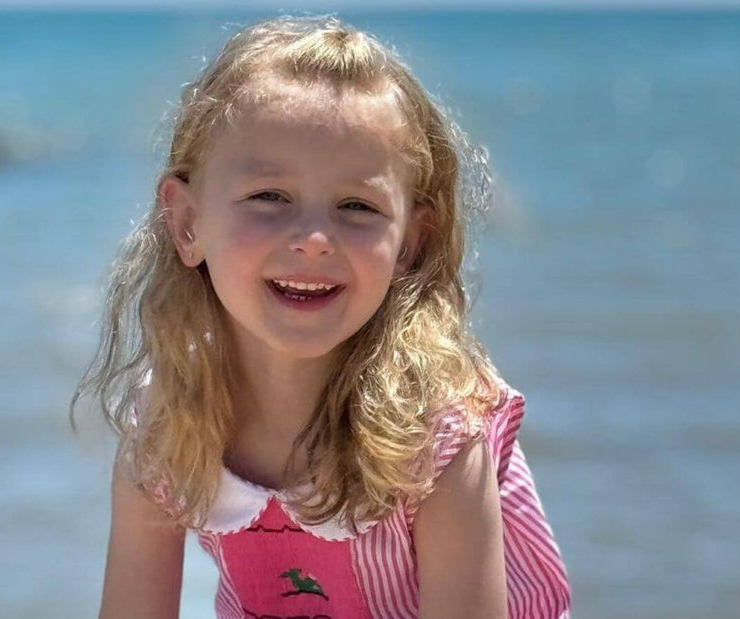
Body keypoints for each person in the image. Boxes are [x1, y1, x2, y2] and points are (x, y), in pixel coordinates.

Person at [71, 14, 571, 619]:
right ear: (187, 223)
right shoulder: (167, 420)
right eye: (269, 197)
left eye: (356, 206)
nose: (313, 238)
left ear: (410, 242)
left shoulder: (437, 437)